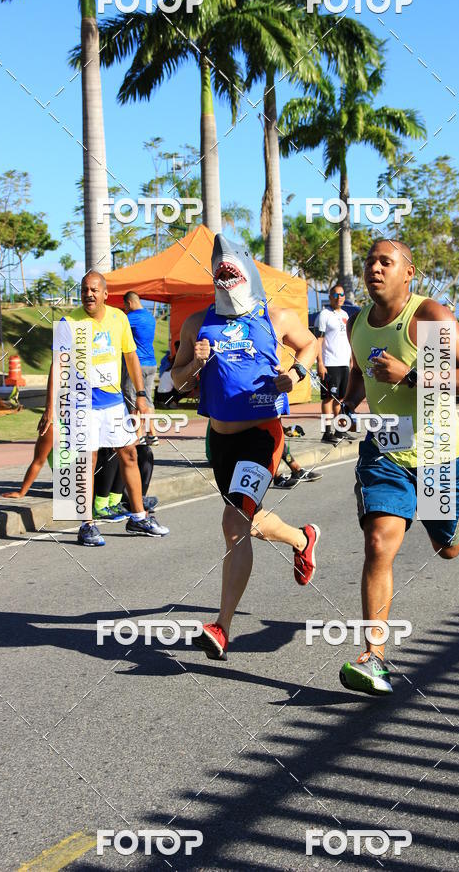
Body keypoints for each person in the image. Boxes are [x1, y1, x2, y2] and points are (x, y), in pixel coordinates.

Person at [339, 239, 459, 695]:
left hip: (438, 452)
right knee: (378, 543)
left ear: (409, 272)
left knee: (447, 546)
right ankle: (374, 658)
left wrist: (409, 374)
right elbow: (359, 372)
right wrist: (348, 403)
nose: (375, 268)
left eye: (386, 262)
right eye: (370, 261)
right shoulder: (357, 322)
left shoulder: (427, 317)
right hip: (386, 450)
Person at [172, 234, 320, 661]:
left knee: (234, 523)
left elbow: (309, 343)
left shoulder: (275, 316)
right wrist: (196, 362)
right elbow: (177, 381)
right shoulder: (196, 323)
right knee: (247, 521)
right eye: (218, 266)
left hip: (262, 435)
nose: (224, 269)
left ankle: (221, 627)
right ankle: (302, 538)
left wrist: (296, 373)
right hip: (219, 440)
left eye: (231, 264)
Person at [41, 271, 168, 546]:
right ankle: (87, 525)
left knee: (130, 454)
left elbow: (130, 356)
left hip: (113, 404)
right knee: (87, 461)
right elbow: (57, 365)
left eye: (94, 290)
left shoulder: (119, 318)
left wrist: (141, 395)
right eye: (84, 290)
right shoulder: (68, 323)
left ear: (105, 294)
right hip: (82, 405)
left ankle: (138, 517)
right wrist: (50, 407)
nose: (88, 294)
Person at [316, 284, 353, 444]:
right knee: (328, 398)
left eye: (342, 295)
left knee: (340, 399)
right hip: (330, 364)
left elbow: (348, 340)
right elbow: (318, 341)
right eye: (336, 295)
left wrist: (351, 360)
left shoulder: (345, 314)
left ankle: (340, 431)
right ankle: (327, 433)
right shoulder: (324, 315)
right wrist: (320, 363)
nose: (339, 298)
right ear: (330, 297)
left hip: (344, 363)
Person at [122, 291, 157, 442]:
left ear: (129, 303)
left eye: (125, 306)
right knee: (147, 399)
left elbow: (116, 328)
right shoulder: (150, 317)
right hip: (151, 364)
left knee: (131, 396)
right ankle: (152, 434)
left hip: (137, 365)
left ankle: (137, 435)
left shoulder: (131, 317)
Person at [2, 424, 53, 498]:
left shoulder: (52, 428)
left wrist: (21, 493)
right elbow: (38, 462)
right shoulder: (52, 429)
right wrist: (21, 493)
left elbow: (38, 463)